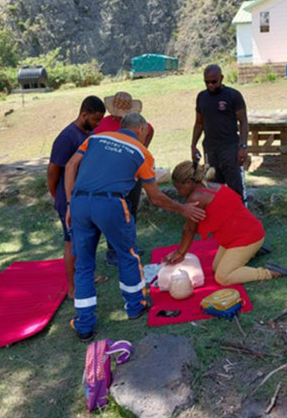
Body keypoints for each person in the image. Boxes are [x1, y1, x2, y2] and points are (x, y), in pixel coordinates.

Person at [63, 113, 205, 342]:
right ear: (140, 129)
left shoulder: (96, 138)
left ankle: (84, 325)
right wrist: (183, 209)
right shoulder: (142, 153)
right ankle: (135, 305)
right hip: (110, 204)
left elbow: (70, 166)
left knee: (84, 264)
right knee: (127, 255)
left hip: (79, 201)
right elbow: (156, 197)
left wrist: (70, 202)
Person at [162, 161, 287, 284]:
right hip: (238, 236)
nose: (178, 192)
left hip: (247, 237)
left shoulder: (197, 197)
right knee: (216, 267)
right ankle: (254, 251)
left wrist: (180, 253)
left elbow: (189, 229)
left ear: (189, 182)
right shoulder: (211, 186)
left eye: (178, 188)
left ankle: (269, 273)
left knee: (222, 277)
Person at [47, 95, 106, 299]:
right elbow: (53, 173)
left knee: (87, 240)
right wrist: (59, 199)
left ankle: (86, 276)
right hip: (69, 200)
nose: (98, 123)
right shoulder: (67, 137)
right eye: (96, 119)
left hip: (86, 198)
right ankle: (73, 289)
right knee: (71, 243)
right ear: (84, 114)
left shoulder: (89, 133)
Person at [96, 91, 155, 267]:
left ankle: (129, 246)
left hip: (133, 173)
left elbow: (150, 130)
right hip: (111, 177)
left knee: (131, 210)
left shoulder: (138, 123)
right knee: (114, 213)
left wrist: (142, 148)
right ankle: (112, 251)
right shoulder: (102, 125)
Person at [191, 64, 249, 202]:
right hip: (211, 149)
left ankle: (241, 219)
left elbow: (244, 122)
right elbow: (199, 123)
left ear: (221, 78)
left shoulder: (233, 95)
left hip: (230, 148)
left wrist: (243, 146)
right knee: (214, 187)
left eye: (214, 82)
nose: (210, 85)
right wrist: (193, 145)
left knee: (236, 188)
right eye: (207, 82)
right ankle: (221, 219)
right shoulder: (201, 97)